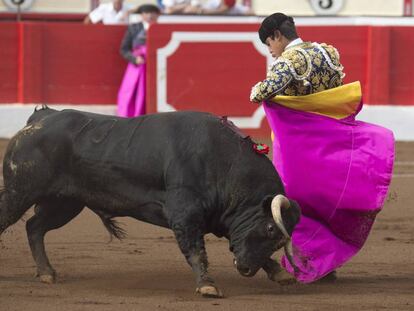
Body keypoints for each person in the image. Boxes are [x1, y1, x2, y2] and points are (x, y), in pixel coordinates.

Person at [251, 13, 394, 284]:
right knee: (326, 199)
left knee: (296, 200)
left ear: (277, 36)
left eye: (268, 43)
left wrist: (262, 89)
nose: (270, 50)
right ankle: (327, 264)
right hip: (328, 142)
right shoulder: (328, 51)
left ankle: (307, 262)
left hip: (297, 147)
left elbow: (259, 93)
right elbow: (333, 94)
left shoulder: (288, 61)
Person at [117, 4, 161, 117]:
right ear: (142, 15)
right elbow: (124, 49)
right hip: (137, 65)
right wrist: (134, 58)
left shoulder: (162, 29)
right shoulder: (133, 28)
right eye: (147, 13)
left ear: (158, 16)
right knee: (132, 91)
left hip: (157, 67)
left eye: (153, 13)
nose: (150, 16)